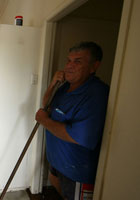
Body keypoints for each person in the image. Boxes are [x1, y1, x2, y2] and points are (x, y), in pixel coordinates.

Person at [35, 42, 109, 200]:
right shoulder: (66, 87)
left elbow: (78, 136)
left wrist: (44, 120)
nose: (69, 66)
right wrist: (53, 83)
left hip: (77, 173)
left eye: (78, 61)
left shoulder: (96, 94)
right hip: (57, 164)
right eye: (68, 60)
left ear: (94, 66)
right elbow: (46, 104)